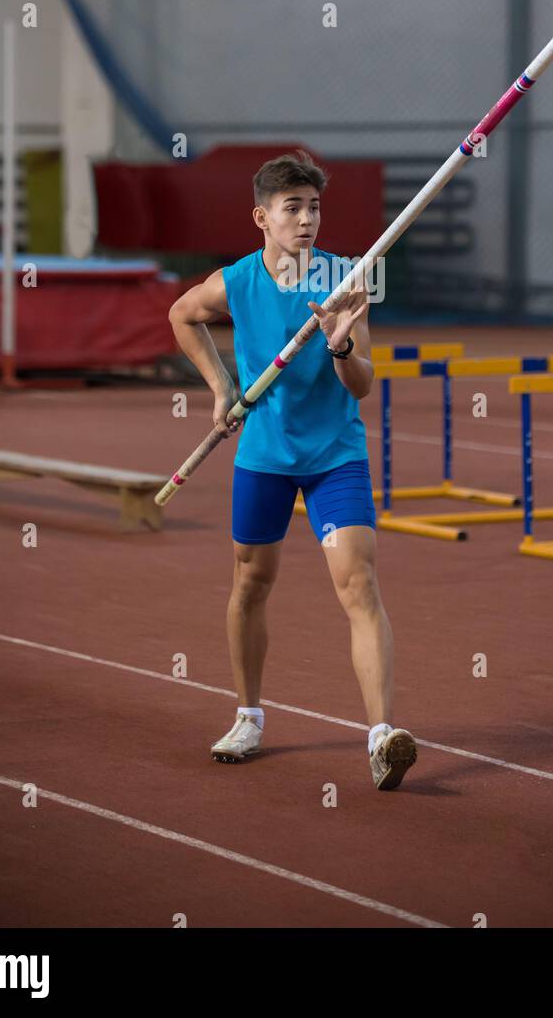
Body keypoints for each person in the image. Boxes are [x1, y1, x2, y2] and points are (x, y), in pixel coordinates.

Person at [168, 150, 417, 790]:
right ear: (262, 217)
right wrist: (223, 389)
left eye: (314, 208)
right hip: (265, 458)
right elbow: (182, 315)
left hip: (336, 456)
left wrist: (339, 344)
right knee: (251, 583)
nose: (307, 220)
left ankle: (382, 736)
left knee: (357, 582)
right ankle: (249, 715)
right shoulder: (238, 282)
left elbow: (361, 385)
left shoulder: (346, 280)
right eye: (293, 208)